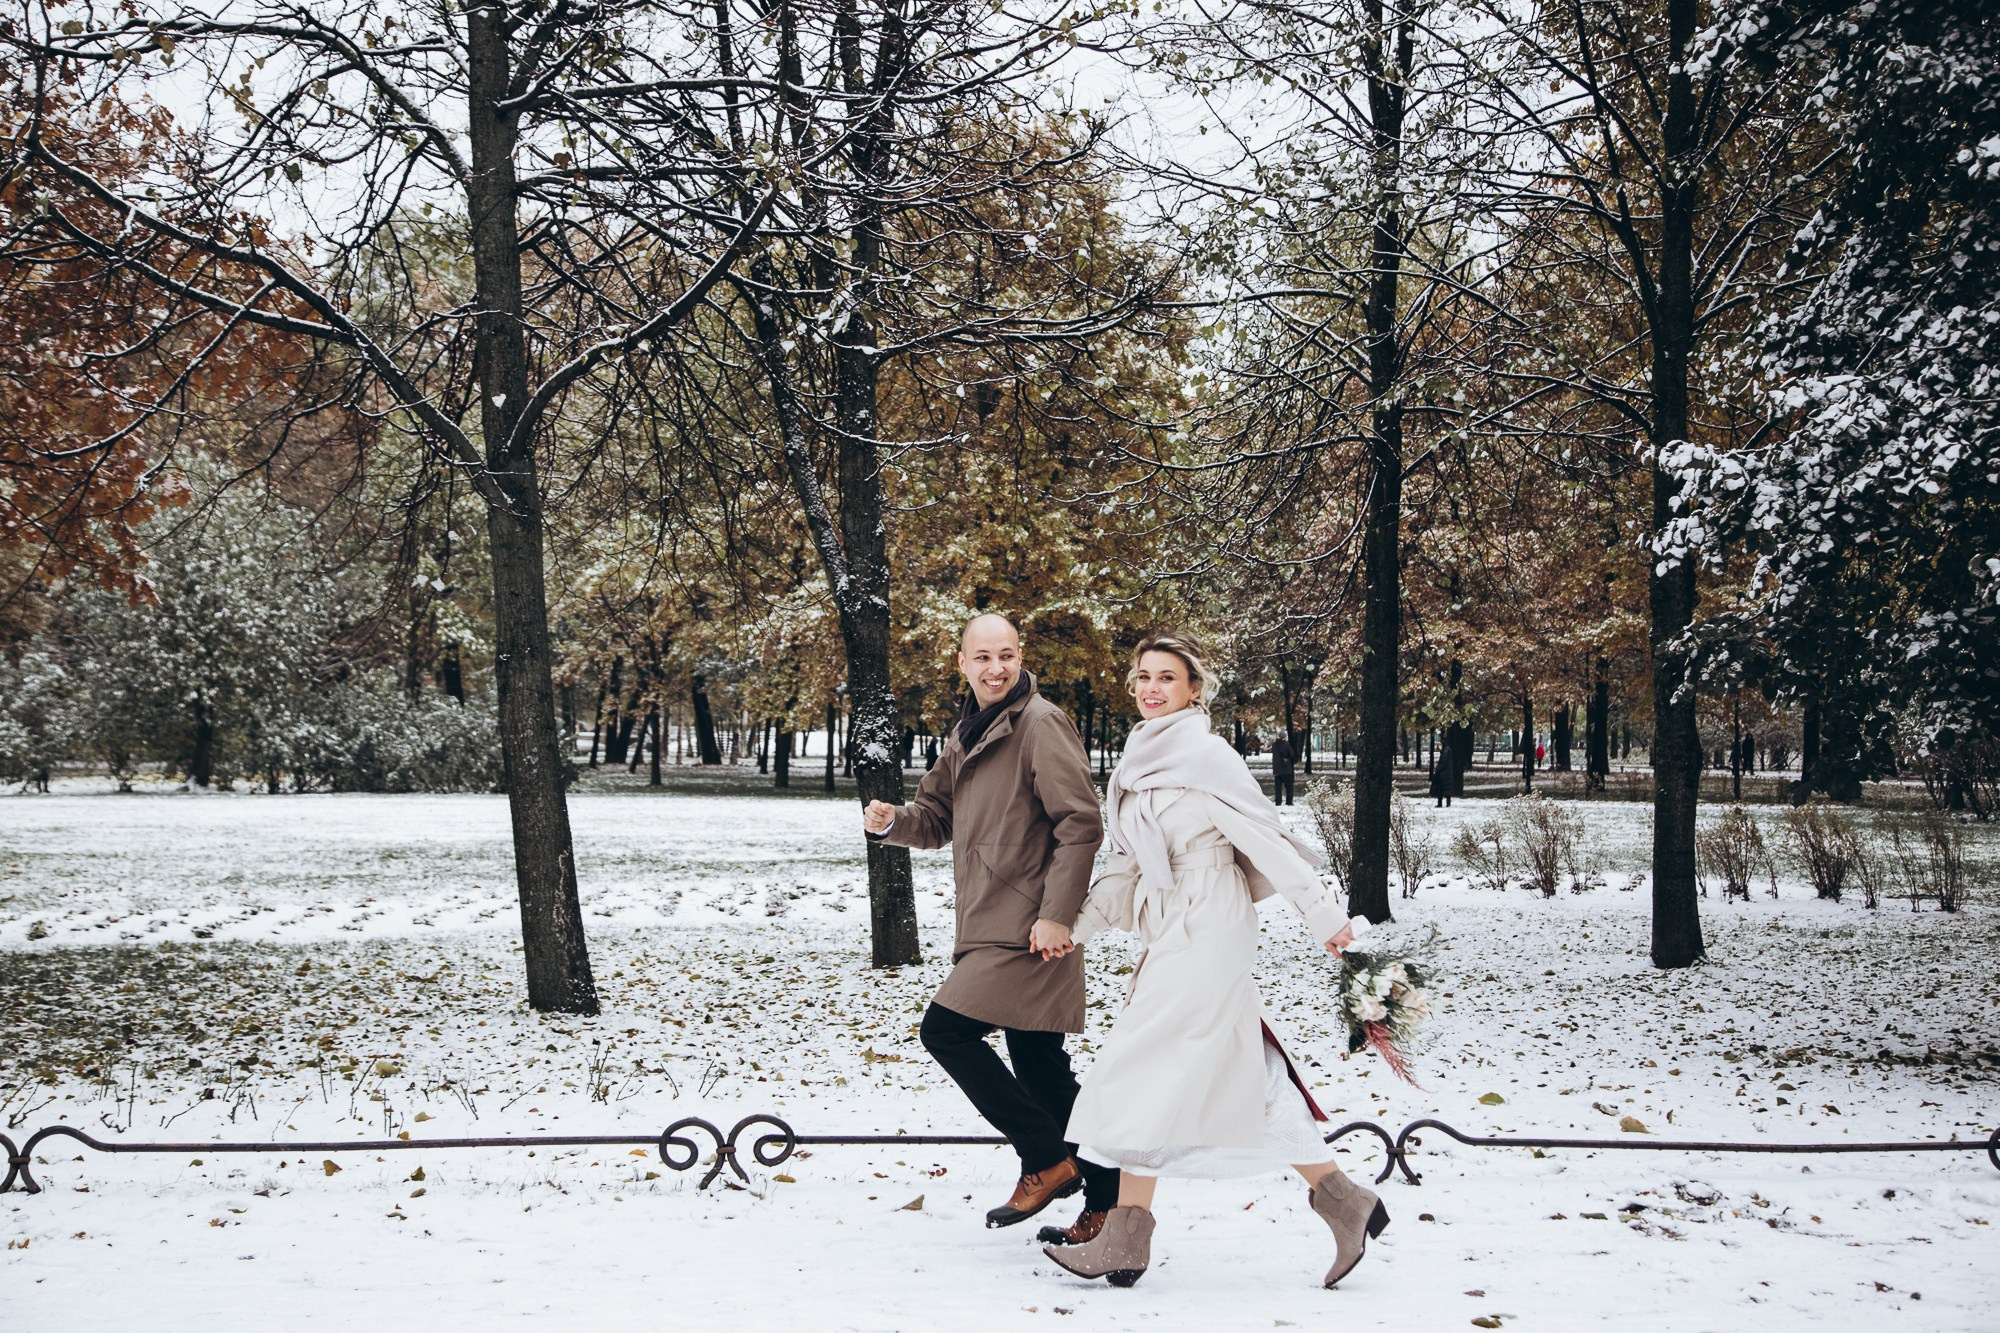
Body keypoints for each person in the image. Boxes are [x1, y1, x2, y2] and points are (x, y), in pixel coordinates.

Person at [1043, 631, 1385, 1290]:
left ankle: (1124, 1235)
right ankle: (1344, 1200)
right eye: (1143, 675)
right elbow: (1122, 872)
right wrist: (1071, 928)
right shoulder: (1133, 767)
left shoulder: (1207, 757)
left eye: (1166, 677)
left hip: (1211, 927)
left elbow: (1269, 842)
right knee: (1246, 1075)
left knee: (1137, 1070)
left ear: (1193, 688)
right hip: (1171, 928)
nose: (1150, 687)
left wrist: (1325, 917)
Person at [862, 613, 1120, 1238]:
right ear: (962, 663)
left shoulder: (1040, 723)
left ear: (1021, 655)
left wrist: (1057, 914)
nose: (996, 667)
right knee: (1041, 1069)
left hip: (1030, 927)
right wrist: (895, 821)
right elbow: (936, 815)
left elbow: (1080, 824)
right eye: (982, 657)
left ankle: (1046, 1160)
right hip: (991, 920)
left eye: (1005, 655)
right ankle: (1109, 1211)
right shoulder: (969, 731)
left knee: (945, 1033)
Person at [1269, 729, 1296, 806]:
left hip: (1277, 770)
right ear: (1285, 737)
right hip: (1286, 769)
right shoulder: (1286, 744)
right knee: (1289, 787)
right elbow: (1291, 754)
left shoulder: (1274, 745)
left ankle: (1278, 801)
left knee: (1278, 788)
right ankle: (1289, 801)